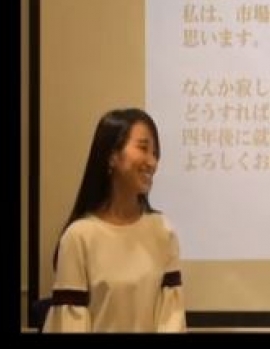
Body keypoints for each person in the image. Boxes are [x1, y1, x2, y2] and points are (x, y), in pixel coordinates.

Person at [43, 108, 186, 332]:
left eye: (155, 153)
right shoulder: (79, 237)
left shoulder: (162, 231)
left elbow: (172, 318)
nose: (152, 162)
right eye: (143, 148)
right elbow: (70, 323)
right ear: (112, 156)